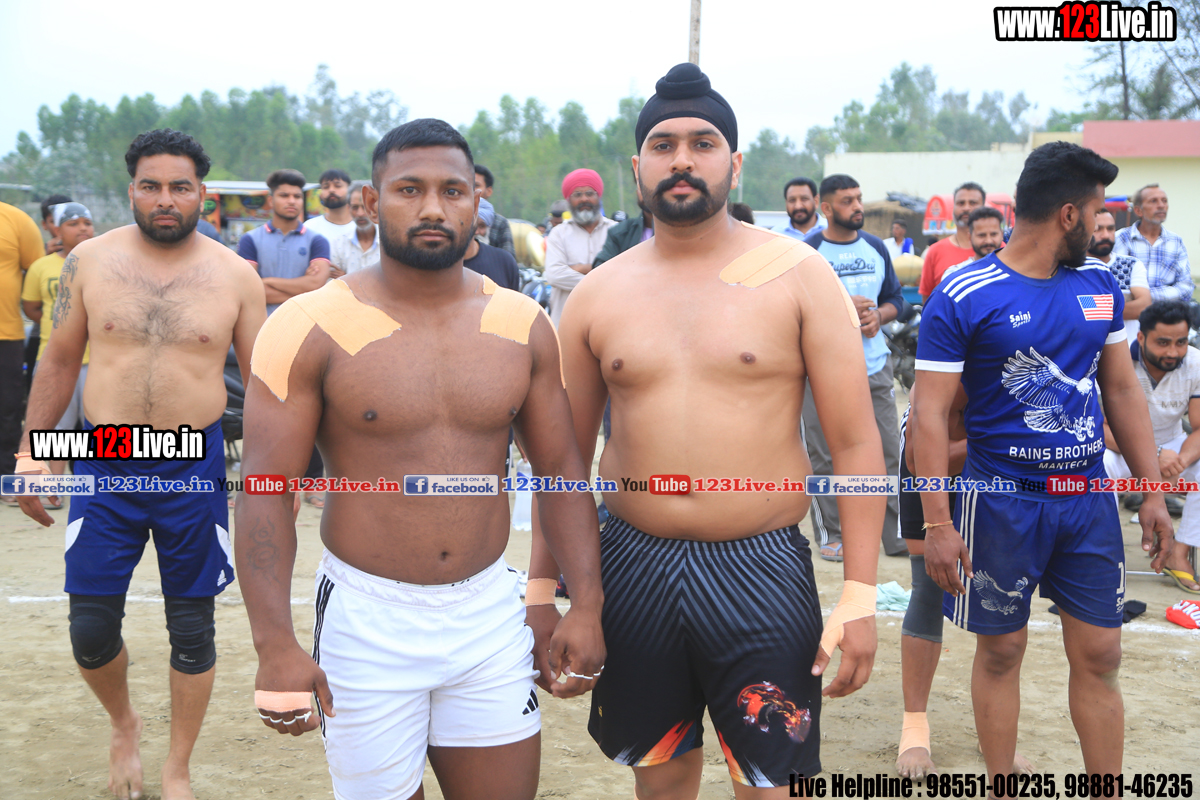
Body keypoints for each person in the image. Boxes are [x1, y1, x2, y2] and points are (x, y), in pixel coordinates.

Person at [534, 62, 885, 796]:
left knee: (771, 780)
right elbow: (562, 459)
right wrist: (544, 587)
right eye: (663, 146)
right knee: (660, 776)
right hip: (632, 563)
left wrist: (858, 594)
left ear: (735, 161)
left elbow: (855, 444)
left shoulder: (799, 274)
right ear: (638, 167)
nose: (683, 160)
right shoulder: (600, 293)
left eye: (703, 143)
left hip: (760, 564)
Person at [235, 118, 605, 800]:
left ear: (476, 203)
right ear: (370, 203)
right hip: (366, 619)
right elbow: (263, 491)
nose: (433, 207)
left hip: (486, 612)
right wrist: (274, 643)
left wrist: (585, 602)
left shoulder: (521, 323)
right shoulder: (310, 325)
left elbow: (561, 474)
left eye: (452, 191)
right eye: (410, 190)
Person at [14, 128, 266, 800]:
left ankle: (176, 767)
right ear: (131, 190)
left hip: (194, 464)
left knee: (193, 627)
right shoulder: (89, 261)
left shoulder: (236, 275)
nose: (165, 199)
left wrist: (273, 473)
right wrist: (33, 451)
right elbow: (58, 359)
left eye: (179, 187)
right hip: (103, 457)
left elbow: (265, 387)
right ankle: (123, 723)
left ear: (202, 194)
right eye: (151, 186)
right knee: (91, 629)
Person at [913, 141, 1174, 780]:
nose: (1102, 226)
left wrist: (1151, 493)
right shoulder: (964, 292)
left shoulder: (1099, 284)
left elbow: (1121, 391)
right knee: (1002, 652)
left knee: (1102, 654)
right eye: (1096, 212)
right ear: (1068, 215)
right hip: (1000, 501)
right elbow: (927, 413)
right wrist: (938, 522)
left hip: (1087, 500)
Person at [801, 174, 907, 560]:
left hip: (874, 366)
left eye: (859, 198)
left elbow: (896, 299)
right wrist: (841, 306)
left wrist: (879, 315)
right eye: (847, 201)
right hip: (821, 371)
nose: (858, 206)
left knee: (890, 451)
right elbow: (794, 310)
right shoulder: (808, 252)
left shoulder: (876, 247)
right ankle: (832, 534)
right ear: (826, 209)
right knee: (823, 455)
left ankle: (895, 534)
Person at [237, 169, 332, 505]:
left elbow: (317, 285)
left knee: (313, 408)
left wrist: (266, 283)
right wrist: (297, 286)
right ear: (271, 200)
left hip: (307, 335)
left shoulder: (317, 240)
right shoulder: (250, 240)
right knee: (261, 409)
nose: (291, 201)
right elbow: (247, 289)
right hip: (261, 337)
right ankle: (261, 482)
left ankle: (313, 482)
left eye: (296, 196)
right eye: (284, 195)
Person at [1102, 300, 1200, 593]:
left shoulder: (1195, 362)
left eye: (1181, 342)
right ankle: (1102, 558)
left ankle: (1179, 552)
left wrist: (1180, 460)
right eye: (1163, 342)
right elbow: (1098, 428)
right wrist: (1154, 457)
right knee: (1097, 468)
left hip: (1173, 447)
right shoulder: (1113, 358)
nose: (1173, 352)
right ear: (1141, 337)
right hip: (1120, 448)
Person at [20, 202, 96, 508]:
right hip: (54, 356)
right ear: (57, 230)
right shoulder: (41, 266)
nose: (82, 229)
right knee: (58, 429)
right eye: (73, 224)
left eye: (86, 223)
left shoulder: (103, 263)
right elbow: (31, 307)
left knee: (96, 428)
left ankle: (98, 487)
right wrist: (64, 328)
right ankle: (55, 488)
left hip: (97, 359)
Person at [0, 200, 45, 504]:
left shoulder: (15, 220)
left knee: (9, 408)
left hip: (7, 334)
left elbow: (38, 271)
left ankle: (6, 478)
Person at [542, 169, 616, 326]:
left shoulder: (616, 231)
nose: (584, 199)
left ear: (598, 196)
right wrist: (601, 277)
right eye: (577, 195)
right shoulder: (558, 234)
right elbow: (554, 275)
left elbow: (626, 273)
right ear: (568, 200)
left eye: (589, 193)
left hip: (609, 323)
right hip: (568, 324)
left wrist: (578, 268)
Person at [1113, 184, 1193, 303]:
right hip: (1130, 312)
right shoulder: (1120, 239)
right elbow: (1115, 285)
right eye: (1153, 201)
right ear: (1138, 210)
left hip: (1165, 312)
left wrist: (1143, 296)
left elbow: (1185, 287)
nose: (1161, 205)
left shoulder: (1175, 242)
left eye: (1164, 201)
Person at [1088, 208, 1151, 344]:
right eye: (1098, 229)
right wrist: (1122, 305)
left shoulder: (1130, 265)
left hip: (1128, 350)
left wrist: (1091, 307)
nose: (1106, 235)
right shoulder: (1074, 268)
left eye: (1110, 229)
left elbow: (1143, 307)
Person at [918, 182, 986, 300]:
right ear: (953, 208)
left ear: (984, 207)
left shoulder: (1000, 250)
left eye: (973, 203)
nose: (966, 208)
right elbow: (928, 301)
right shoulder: (935, 251)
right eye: (961, 203)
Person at [465, 198, 521, 291]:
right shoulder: (443, 261)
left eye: (481, 226)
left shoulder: (504, 262)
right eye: (472, 225)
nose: (476, 232)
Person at [940, 206, 1007, 282]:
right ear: (970, 237)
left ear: (1001, 235)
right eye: (981, 235)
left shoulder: (1013, 271)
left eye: (993, 234)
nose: (988, 241)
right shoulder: (954, 275)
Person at [329, 179, 380, 278]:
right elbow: (333, 283)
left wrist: (346, 278)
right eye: (355, 207)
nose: (360, 213)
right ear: (348, 208)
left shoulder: (389, 242)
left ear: (375, 207)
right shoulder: (338, 244)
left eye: (365, 207)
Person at [302, 168, 356, 244]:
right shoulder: (310, 227)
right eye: (326, 187)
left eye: (337, 186)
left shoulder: (362, 226)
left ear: (350, 190)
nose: (331, 190)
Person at [474, 164, 516, 256]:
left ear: (488, 191)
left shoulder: (499, 223)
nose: (471, 190)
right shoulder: (455, 219)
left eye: (476, 186)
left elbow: (508, 260)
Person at [773, 176, 824, 240]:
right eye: (792, 200)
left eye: (804, 199)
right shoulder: (776, 235)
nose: (798, 206)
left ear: (816, 201)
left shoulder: (832, 232)